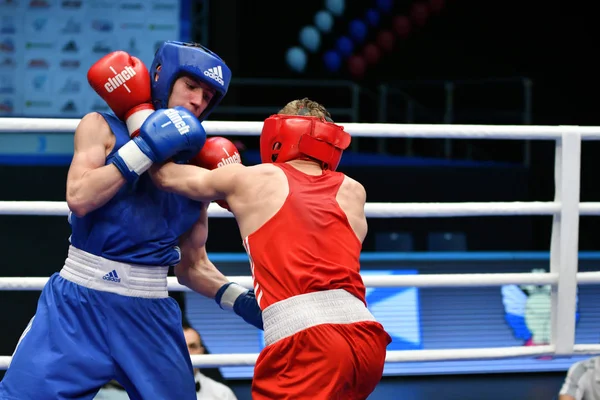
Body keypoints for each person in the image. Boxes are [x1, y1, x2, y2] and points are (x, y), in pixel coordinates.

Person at [0, 41, 261, 400]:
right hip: (79, 303)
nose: (199, 100)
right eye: (191, 86)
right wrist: (144, 149)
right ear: (161, 77)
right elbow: (79, 197)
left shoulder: (200, 166)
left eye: (209, 95)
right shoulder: (101, 127)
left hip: (148, 310)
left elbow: (193, 265)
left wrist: (243, 301)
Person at [150, 98, 392, 400]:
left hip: (310, 343)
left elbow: (163, 176)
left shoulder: (253, 177)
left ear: (278, 134)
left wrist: (139, 117)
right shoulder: (354, 191)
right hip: (366, 339)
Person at [93, 323, 238, 400]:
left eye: (192, 346)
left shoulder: (221, 393)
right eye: (181, 346)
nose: (187, 353)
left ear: (202, 350)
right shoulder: (143, 387)